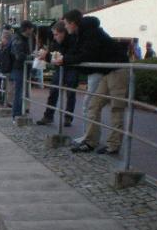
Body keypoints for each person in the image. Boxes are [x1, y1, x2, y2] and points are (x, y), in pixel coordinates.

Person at [58, 10, 129, 155]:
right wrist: (63, 59)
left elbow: (87, 54)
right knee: (93, 105)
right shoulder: (82, 33)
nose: (65, 27)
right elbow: (77, 53)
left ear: (72, 23)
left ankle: (113, 145)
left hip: (118, 68)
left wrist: (65, 60)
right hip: (107, 70)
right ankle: (90, 141)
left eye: (66, 24)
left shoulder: (90, 32)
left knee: (116, 108)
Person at [36, 21, 79, 127]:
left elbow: (74, 55)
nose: (54, 37)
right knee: (53, 91)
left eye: (56, 34)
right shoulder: (56, 42)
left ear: (63, 33)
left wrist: (60, 58)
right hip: (60, 68)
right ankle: (48, 116)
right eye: (54, 34)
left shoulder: (73, 40)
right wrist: (45, 55)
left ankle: (68, 117)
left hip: (71, 68)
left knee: (70, 92)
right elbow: (51, 53)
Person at [10, 20, 35, 120]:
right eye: (31, 29)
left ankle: (19, 111)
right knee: (19, 91)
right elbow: (19, 56)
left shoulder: (21, 38)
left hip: (20, 68)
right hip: (19, 69)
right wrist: (31, 56)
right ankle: (17, 113)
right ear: (28, 29)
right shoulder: (19, 39)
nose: (32, 31)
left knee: (21, 91)